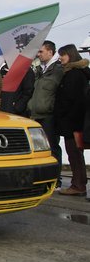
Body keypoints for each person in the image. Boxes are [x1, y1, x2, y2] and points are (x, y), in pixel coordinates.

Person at [54, 44, 89, 196]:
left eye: (63, 55)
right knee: (75, 154)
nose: (60, 57)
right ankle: (79, 183)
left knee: (74, 154)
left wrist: (66, 117)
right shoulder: (73, 72)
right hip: (72, 120)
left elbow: (74, 99)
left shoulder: (75, 74)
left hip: (72, 122)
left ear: (71, 55)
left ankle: (78, 185)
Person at [28, 40, 64, 187]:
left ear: (50, 52)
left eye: (41, 51)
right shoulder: (40, 69)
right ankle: (42, 179)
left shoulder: (58, 70)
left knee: (52, 148)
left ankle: (56, 180)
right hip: (36, 114)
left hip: (49, 114)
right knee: (39, 149)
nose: (38, 54)